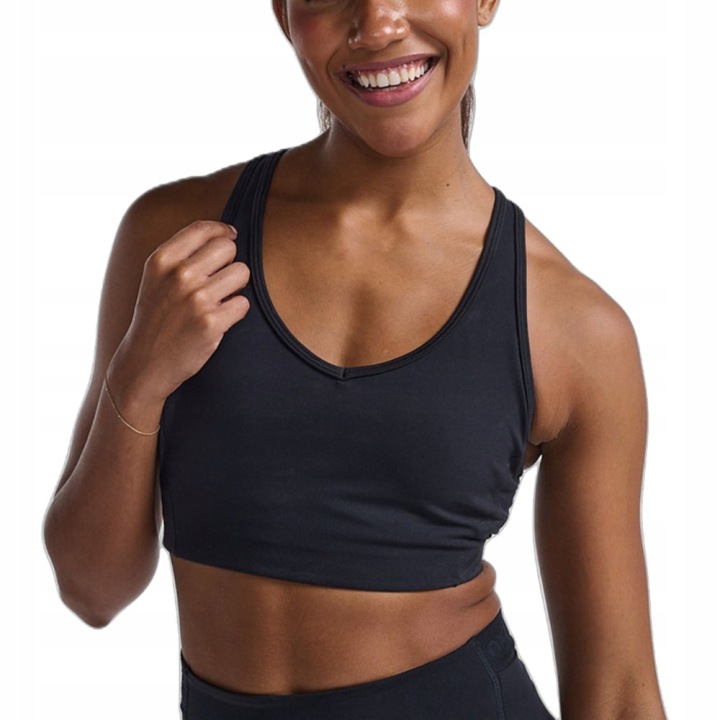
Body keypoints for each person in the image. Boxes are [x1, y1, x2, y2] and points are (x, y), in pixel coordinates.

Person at [42, 1, 667, 718]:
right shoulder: (179, 245)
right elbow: (90, 590)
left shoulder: (576, 329)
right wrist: (138, 380)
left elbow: (620, 696)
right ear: (284, 12)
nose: (378, 24)